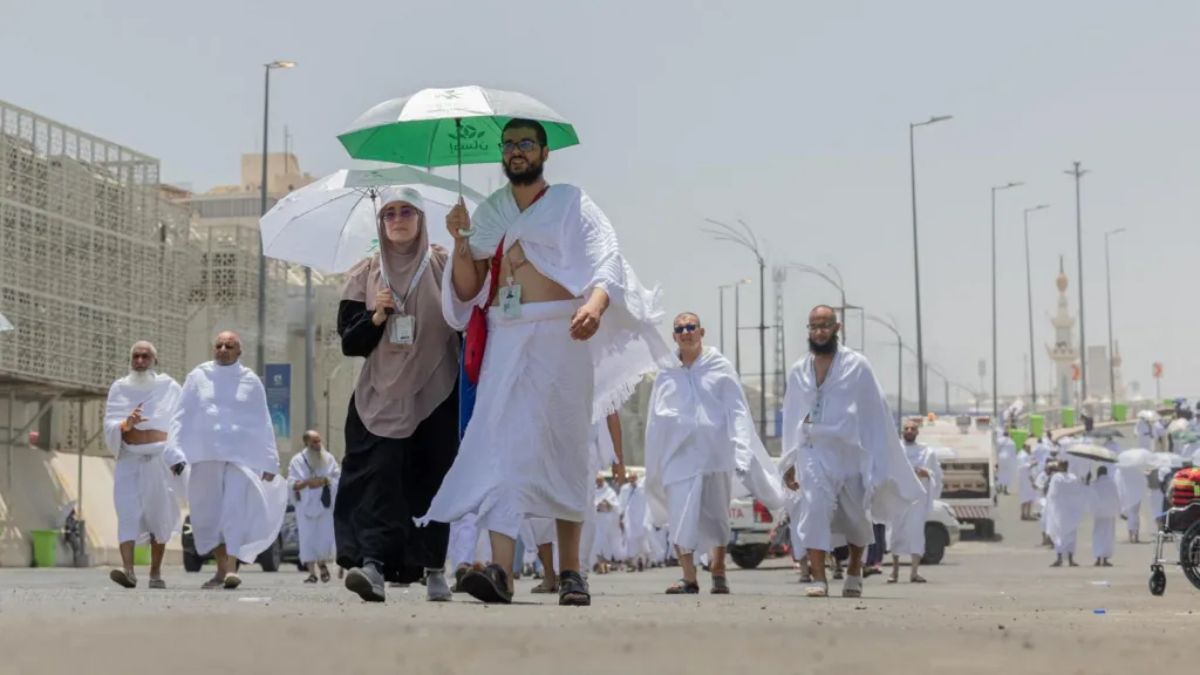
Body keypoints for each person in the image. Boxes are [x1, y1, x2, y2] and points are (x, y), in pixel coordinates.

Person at [419, 118, 674, 606]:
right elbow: (468, 290)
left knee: (565, 447)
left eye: (525, 144)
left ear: (544, 153)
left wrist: (595, 306)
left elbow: (608, 258)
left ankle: (572, 572)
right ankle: (500, 570)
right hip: (506, 337)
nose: (516, 152)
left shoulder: (572, 204)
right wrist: (458, 240)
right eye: (509, 145)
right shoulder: (490, 212)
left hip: (562, 333)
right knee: (500, 449)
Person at [334, 187, 460, 603]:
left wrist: (465, 242)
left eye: (407, 211)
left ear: (421, 219)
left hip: (435, 395)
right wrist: (377, 316)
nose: (398, 219)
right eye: (389, 214)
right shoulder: (365, 274)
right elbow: (350, 344)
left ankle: (434, 568)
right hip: (380, 398)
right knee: (378, 483)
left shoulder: (443, 263)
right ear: (381, 223)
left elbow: (466, 314)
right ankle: (372, 566)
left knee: (432, 482)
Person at [780, 306, 922, 598]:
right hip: (813, 451)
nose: (819, 331)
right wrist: (790, 460)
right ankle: (819, 578)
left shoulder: (857, 366)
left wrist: (879, 459)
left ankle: (855, 569)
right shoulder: (798, 371)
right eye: (814, 326)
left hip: (850, 453)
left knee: (857, 517)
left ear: (837, 327)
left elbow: (875, 413)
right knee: (814, 507)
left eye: (825, 325)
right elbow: (792, 414)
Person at [645, 312, 782, 596]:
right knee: (680, 515)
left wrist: (742, 448)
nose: (686, 332)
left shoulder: (719, 366)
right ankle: (688, 577)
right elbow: (654, 420)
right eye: (680, 329)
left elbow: (737, 410)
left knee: (716, 516)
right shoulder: (666, 371)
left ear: (701, 332)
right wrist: (657, 456)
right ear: (674, 336)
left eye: (691, 327)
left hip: (714, 455)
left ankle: (718, 571)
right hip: (678, 457)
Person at [168, 331, 286, 590]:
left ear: (239, 351)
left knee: (234, 511)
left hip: (239, 459)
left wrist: (269, 461)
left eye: (229, 346)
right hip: (205, 457)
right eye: (219, 345)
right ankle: (221, 571)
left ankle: (231, 569)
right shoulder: (198, 377)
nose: (222, 349)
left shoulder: (251, 381)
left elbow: (262, 422)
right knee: (209, 516)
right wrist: (174, 451)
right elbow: (181, 415)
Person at [103, 341, 186, 589]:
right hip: (129, 459)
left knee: (157, 517)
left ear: (154, 361)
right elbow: (109, 424)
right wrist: (126, 424)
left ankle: (155, 572)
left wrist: (177, 456)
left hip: (159, 460)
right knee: (127, 513)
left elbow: (181, 424)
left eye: (145, 357)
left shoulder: (169, 387)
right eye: (136, 356)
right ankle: (127, 570)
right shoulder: (119, 388)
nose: (139, 361)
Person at [887, 419, 942, 584]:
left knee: (916, 534)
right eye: (906, 428)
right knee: (896, 533)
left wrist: (927, 473)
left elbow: (936, 474)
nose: (909, 431)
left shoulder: (927, 452)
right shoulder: (895, 450)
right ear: (902, 431)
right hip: (899, 498)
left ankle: (914, 572)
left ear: (917, 432)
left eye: (913, 428)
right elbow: (887, 470)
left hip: (917, 500)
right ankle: (894, 571)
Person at [289, 430, 340, 583]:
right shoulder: (297, 461)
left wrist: (325, 482)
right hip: (305, 506)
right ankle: (312, 573)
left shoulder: (328, 458)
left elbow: (337, 477)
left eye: (319, 441)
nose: (318, 445)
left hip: (324, 505)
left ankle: (322, 564)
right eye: (314, 442)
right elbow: (292, 483)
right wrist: (307, 483)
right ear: (307, 443)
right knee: (308, 539)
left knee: (324, 538)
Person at [1045, 461, 1086, 567]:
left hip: (1059, 510)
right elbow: (1079, 492)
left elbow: (1052, 494)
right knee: (1071, 535)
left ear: (1060, 467)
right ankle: (1071, 559)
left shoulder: (1056, 478)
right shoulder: (1073, 477)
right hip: (1071, 510)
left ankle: (1059, 559)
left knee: (1059, 534)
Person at [1089, 465, 1119, 567]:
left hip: (1098, 514)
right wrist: (1118, 511)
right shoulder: (1112, 483)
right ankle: (1105, 559)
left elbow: (1090, 498)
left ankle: (1098, 558)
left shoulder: (1095, 484)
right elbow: (1116, 498)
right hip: (1109, 514)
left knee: (1098, 535)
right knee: (1108, 536)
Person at [1017, 445, 1039, 520]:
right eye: (1029, 447)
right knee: (1028, 497)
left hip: (1024, 478)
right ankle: (1026, 514)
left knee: (1025, 496)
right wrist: (1032, 464)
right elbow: (1024, 467)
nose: (1030, 449)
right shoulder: (1023, 456)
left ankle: (1024, 514)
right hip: (1026, 479)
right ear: (1025, 447)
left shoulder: (1023, 454)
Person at [996, 429, 1017, 496]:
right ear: (1008, 435)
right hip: (1008, 459)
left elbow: (996, 450)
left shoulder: (999, 440)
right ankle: (1005, 489)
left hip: (1000, 458)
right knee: (1007, 475)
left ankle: (999, 488)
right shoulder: (1012, 442)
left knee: (999, 473)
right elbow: (1013, 454)